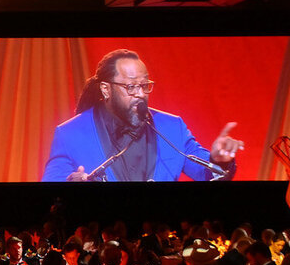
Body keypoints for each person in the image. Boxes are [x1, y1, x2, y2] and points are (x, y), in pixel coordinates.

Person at [41, 49, 243, 182]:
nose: (139, 93)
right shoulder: (70, 133)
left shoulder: (173, 127)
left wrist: (219, 161)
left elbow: (208, 174)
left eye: (144, 85)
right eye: (130, 86)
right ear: (105, 89)